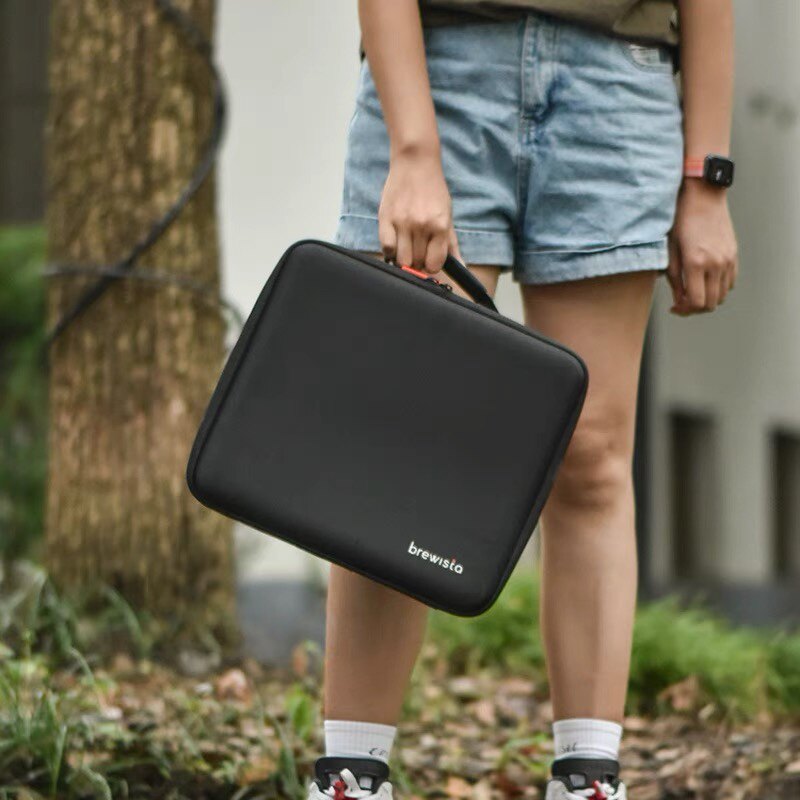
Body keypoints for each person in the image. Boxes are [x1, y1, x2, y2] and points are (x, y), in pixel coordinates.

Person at [308, 1, 737, 798]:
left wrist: (707, 178)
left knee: (592, 453)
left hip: (617, 92)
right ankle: (351, 777)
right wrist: (412, 148)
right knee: (400, 448)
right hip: (438, 74)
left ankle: (587, 780)